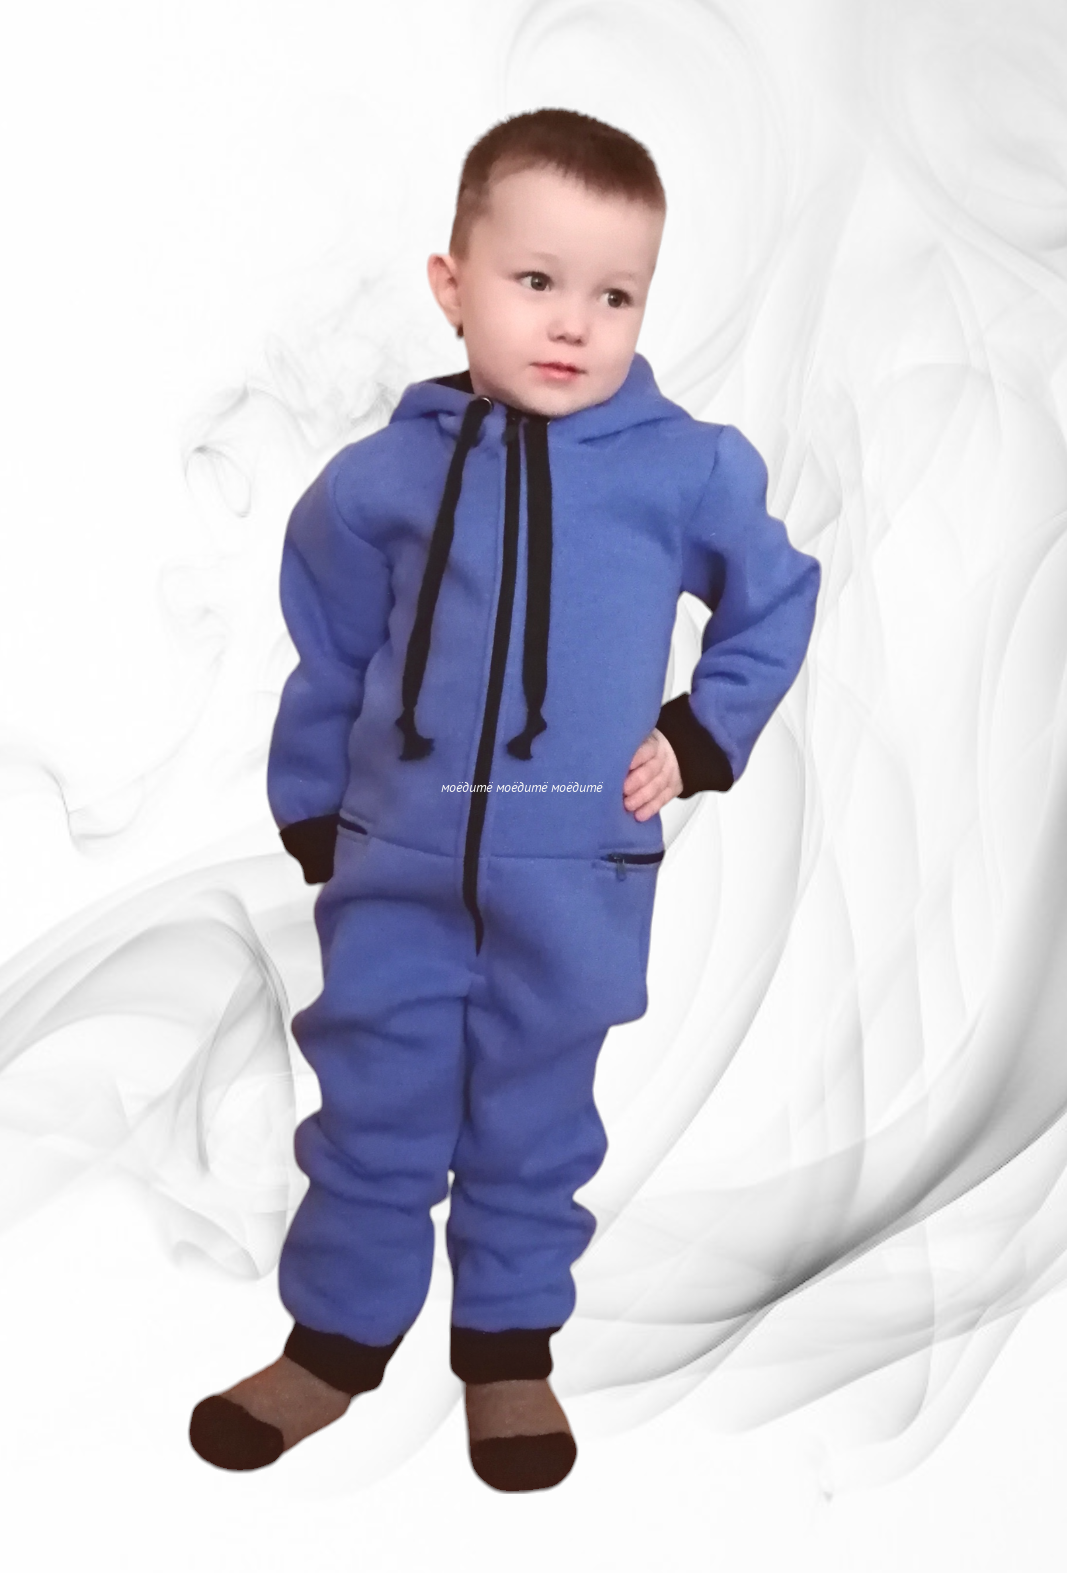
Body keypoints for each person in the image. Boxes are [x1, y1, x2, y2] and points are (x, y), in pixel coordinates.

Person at [189, 107, 821, 1493]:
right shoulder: (383, 478)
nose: (575, 322)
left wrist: (700, 734)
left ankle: (509, 1352)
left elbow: (776, 599)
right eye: (537, 280)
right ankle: (332, 1348)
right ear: (454, 284)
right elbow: (329, 647)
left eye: (616, 294)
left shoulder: (685, 467)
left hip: (575, 870)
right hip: (396, 862)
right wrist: (315, 805)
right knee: (373, 1108)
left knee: (534, 1122)